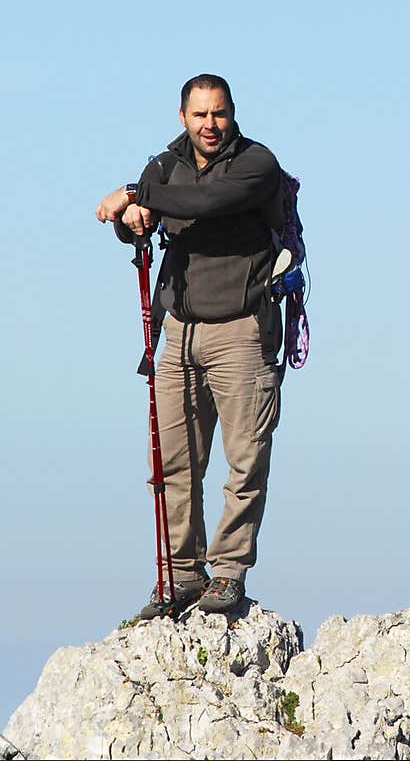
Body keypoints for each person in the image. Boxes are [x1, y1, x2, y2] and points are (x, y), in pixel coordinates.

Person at [95, 73, 285, 619]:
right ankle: (181, 574)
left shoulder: (257, 164)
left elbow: (212, 200)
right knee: (175, 461)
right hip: (177, 328)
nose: (210, 125)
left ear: (232, 113)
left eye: (219, 114)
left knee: (245, 459)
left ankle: (228, 573)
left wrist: (133, 194)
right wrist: (133, 218)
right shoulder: (163, 165)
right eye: (200, 115)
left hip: (243, 329)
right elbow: (144, 222)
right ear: (183, 116)